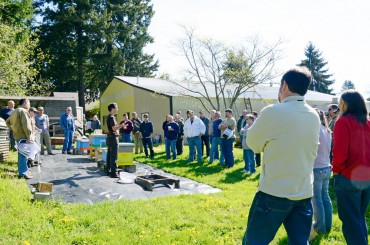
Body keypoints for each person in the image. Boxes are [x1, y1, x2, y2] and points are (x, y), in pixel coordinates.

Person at [242, 67, 320, 244]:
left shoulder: (272, 111)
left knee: (254, 241)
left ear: (284, 85)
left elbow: (252, 144)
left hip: (274, 192)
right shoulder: (314, 115)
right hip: (303, 192)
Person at [332, 90, 370, 245]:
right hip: (366, 177)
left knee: (351, 221)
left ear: (346, 103)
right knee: (358, 217)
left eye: (341, 102)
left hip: (347, 176)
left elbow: (340, 152)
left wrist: (337, 169)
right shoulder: (367, 122)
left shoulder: (343, 122)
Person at [311, 109, 332, 238]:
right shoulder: (327, 130)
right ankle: (327, 225)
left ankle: (320, 227)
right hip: (326, 166)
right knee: (325, 196)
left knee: (317, 198)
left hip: (317, 167)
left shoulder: (315, 130)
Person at [6, 99, 33, 179]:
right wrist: (29, 137)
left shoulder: (15, 111)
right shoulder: (23, 111)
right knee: (23, 155)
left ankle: (23, 171)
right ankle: (23, 173)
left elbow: (7, 122)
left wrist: (13, 129)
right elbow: (26, 125)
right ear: (24, 103)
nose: (29, 105)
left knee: (22, 155)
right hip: (23, 137)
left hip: (17, 136)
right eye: (29, 103)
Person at [106, 103, 125, 178]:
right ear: (112, 109)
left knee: (109, 155)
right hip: (113, 138)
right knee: (114, 156)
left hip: (109, 137)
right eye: (116, 108)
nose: (117, 109)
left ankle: (109, 170)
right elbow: (114, 128)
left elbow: (112, 128)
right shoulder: (112, 117)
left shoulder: (108, 117)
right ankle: (114, 173)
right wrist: (121, 125)